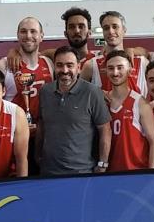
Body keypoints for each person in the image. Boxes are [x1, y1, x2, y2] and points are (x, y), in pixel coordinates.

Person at [37, 46, 111, 176]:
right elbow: (41, 125)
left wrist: (103, 164)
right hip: (48, 172)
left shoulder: (92, 93)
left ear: (78, 67)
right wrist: (37, 155)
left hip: (82, 172)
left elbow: (105, 130)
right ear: (54, 67)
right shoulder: (45, 91)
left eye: (69, 65)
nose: (65, 70)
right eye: (59, 65)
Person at [0, 17, 54, 174]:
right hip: (13, 138)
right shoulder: (3, 65)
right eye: (23, 31)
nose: (28, 36)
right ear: (17, 35)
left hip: (44, 137)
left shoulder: (49, 63)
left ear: (42, 35)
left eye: (33, 31)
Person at [104, 50, 154, 171]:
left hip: (136, 174)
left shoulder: (140, 103)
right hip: (108, 175)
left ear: (130, 71)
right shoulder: (101, 101)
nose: (115, 72)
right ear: (106, 71)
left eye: (120, 68)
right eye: (110, 68)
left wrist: (152, 175)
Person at [80, 11, 149, 94]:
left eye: (115, 27)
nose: (111, 31)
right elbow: (79, 96)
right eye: (106, 28)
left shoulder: (142, 62)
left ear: (124, 30)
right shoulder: (91, 65)